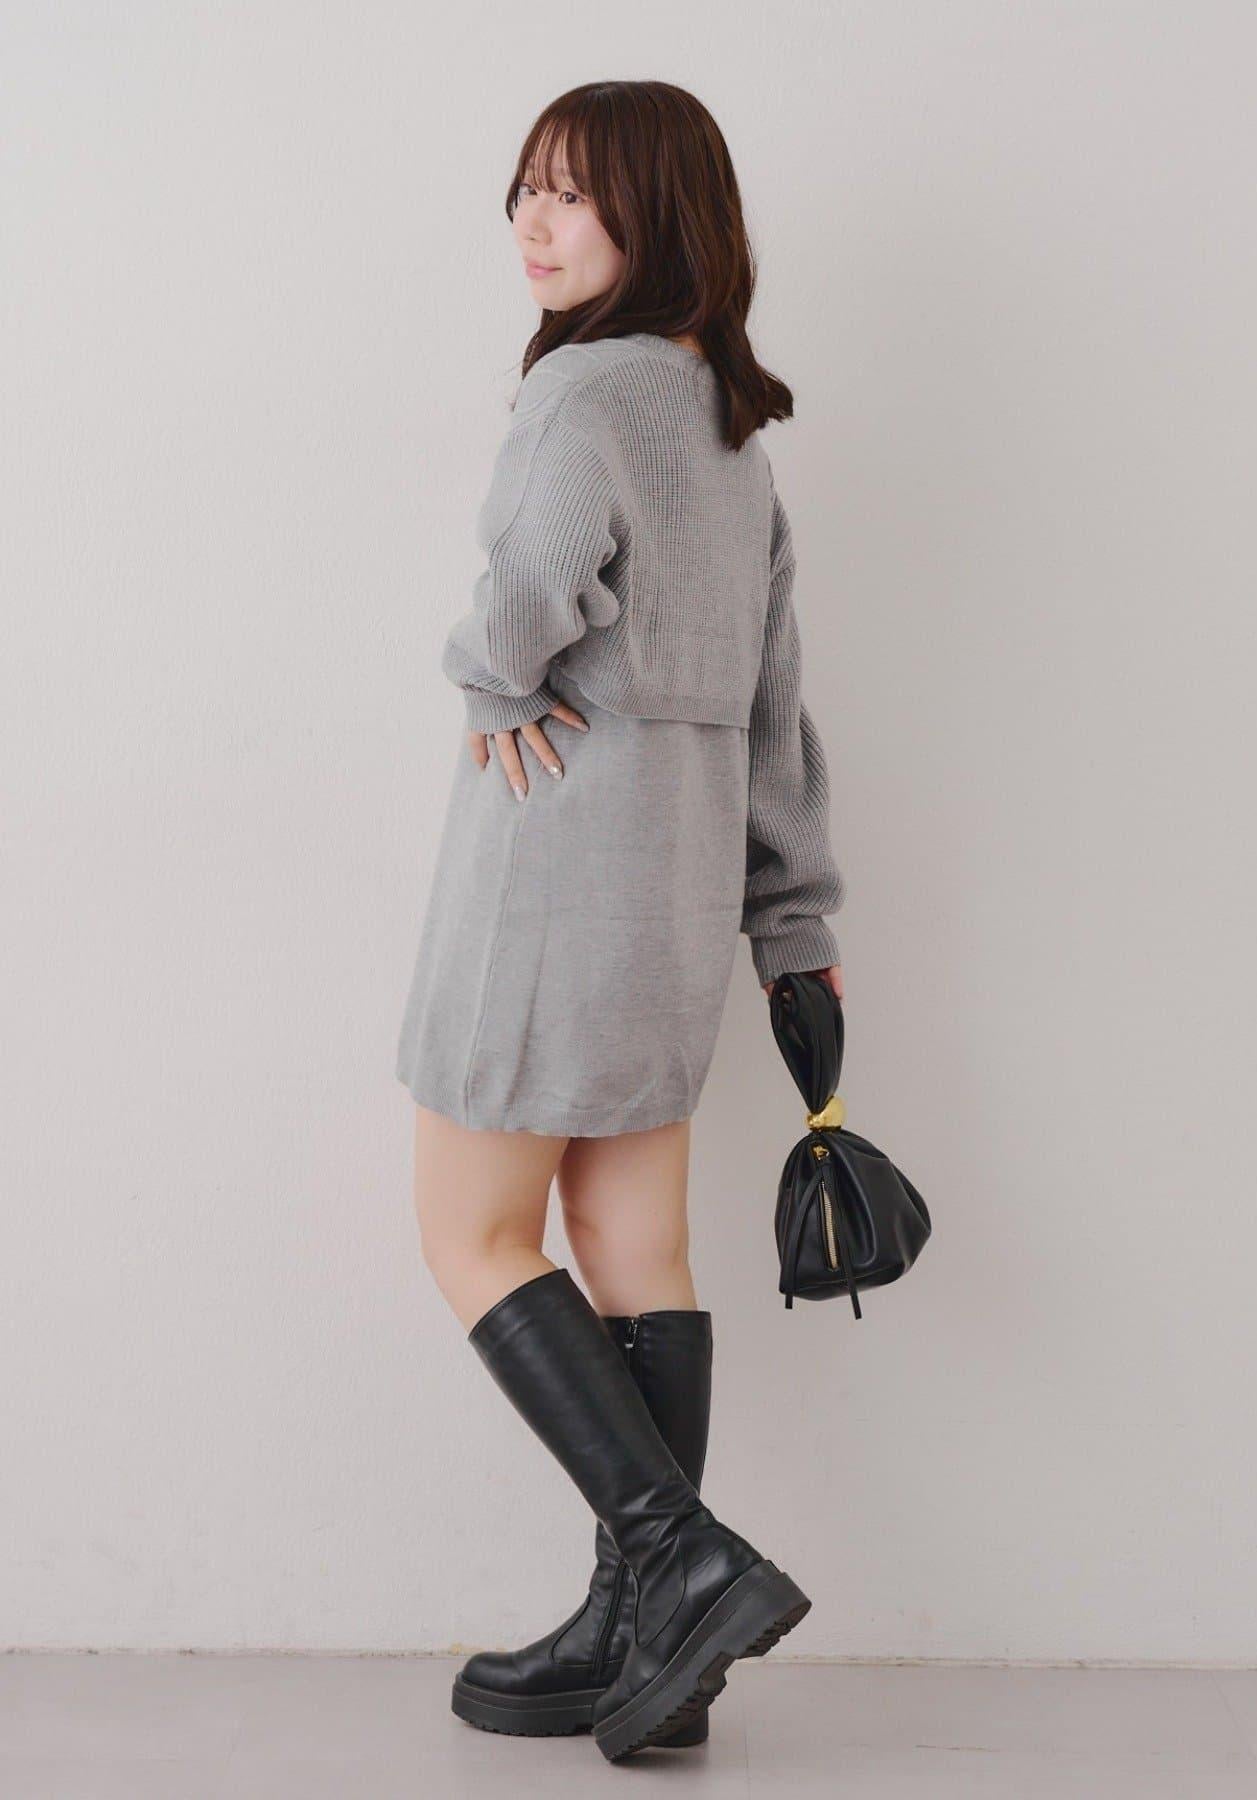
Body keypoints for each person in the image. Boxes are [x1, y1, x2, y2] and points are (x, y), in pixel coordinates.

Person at [394, 79, 846, 1762]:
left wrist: (486, 678)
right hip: (679, 880)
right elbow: (779, 707)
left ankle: (679, 1561)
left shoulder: (581, 393)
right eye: (526, 188)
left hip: (556, 862)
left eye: (575, 194)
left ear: (664, 214)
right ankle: (652, 1642)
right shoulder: (730, 430)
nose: (535, 222)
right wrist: (792, 919)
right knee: (634, 1244)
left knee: (471, 1231)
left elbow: (519, 599)